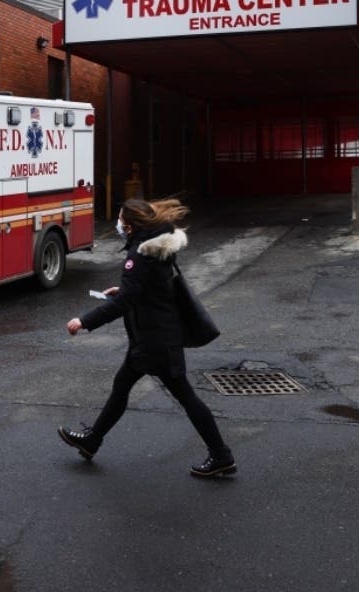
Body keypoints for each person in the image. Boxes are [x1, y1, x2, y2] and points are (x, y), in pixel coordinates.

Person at [58, 197, 236, 478]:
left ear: (129, 226)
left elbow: (125, 302)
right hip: (153, 336)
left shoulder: (140, 255)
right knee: (122, 386)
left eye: (119, 220)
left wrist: (85, 321)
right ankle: (93, 440)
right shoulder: (157, 246)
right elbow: (153, 287)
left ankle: (221, 455)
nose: (117, 224)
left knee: (185, 396)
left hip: (156, 340)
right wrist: (128, 288)